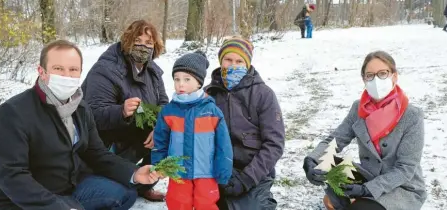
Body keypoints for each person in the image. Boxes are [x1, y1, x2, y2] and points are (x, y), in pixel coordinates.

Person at [0, 40, 163, 210]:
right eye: (58, 69)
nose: (66, 76)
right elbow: (12, 175)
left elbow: (97, 154)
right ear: (42, 72)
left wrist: (134, 173)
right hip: (27, 199)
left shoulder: (81, 108)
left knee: (127, 194)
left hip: (70, 187)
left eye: (73, 70)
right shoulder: (14, 112)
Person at [303, 51, 426, 210]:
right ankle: (346, 202)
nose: (376, 80)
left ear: (394, 76)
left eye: (383, 73)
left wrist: (367, 189)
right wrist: (311, 159)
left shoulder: (412, 116)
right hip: (368, 177)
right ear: (364, 79)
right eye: (370, 75)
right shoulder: (358, 109)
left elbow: (405, 169)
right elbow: (336, 140)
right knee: (322, 160)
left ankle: (357, 203)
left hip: (401, 187)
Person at [81, 19, 168, 201]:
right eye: (138, 41)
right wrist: (121, 111)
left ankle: (144, 186)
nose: (143, 47)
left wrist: (158, 127)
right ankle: (116, 180)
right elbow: (91, 114)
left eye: (148, 42)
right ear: (127, 41)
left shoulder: (153, 72)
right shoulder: (105, 70)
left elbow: (163, 104)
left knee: (170, 132)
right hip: (105, 142)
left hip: (137, 132)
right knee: (119, 194)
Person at [205, 36, 285, 210]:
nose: (233, 65)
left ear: (247, 64)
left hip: (253, 173)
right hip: (217, 171)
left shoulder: (264, 94)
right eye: (228, 59)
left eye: (239, 61)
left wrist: (246, 178)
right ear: (220, 61)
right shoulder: (208, 95)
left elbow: (274, 144)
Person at [152, 51, 233, 210]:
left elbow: (223, 146)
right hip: (178, 173)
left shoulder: (212, 112)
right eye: (177, 79)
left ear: (199, 82)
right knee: (177, 203)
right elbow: (160, 142)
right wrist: (159, 165)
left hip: (206, 173)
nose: (180, 84)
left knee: (206, 203)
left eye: (187, 79)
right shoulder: (169, 112)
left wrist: (223, 171)